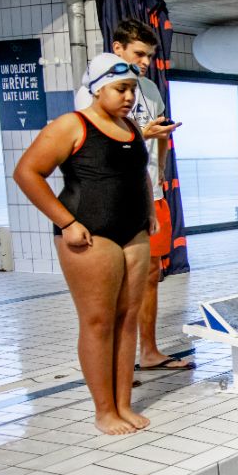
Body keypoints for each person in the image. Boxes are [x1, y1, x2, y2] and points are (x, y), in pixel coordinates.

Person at [13, 53, 155, 435]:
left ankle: (124, 403)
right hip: (90, 231)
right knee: (97, 322)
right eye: (120, 89)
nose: (128, 97)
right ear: (97, 89)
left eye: (131, 90)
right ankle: (103, 410)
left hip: (134, 231)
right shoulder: (71, 126)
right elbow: (27, 172)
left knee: (128, 320)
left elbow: (139, 172)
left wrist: (149, 210)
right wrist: (67, 222)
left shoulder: (131, 127)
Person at [75, 19, 189, 372]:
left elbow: (156, 141)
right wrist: (144, 131)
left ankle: (148, 351)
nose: (145, 62)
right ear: (118, 48)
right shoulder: (93, 90)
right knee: (111, 283)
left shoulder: (151, 90)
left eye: (150, 56)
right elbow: (96, 141)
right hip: (109, 195)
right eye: (139, 54)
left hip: (149, 193)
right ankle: (111, 364)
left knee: (151, 275)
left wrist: (160, 171)